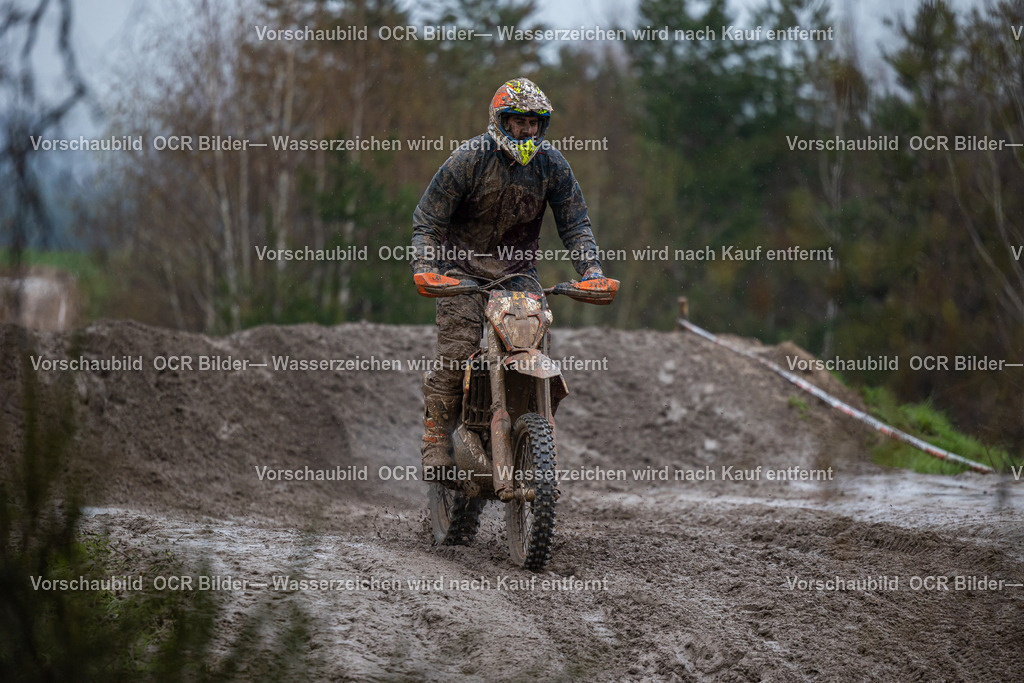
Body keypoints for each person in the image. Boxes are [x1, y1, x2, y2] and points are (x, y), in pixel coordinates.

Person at [410, 76, 606, 477]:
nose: (526, 129)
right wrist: (426, 268)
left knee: (534, 349)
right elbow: (428, 220)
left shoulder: (552, 165)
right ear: (500, 120)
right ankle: (435, 436)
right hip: (462, 271)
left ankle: (529, 432)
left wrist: (591, 271)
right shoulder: (469, 159)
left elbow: (576, 224)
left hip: (518, 276)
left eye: (534, 122)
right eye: (518, 121)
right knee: (456, 351)